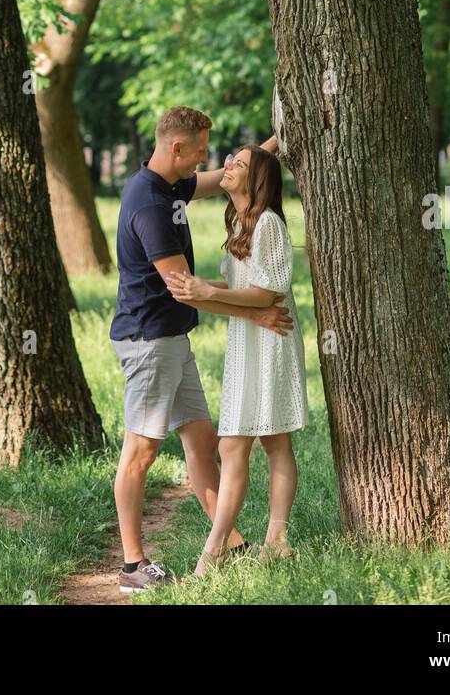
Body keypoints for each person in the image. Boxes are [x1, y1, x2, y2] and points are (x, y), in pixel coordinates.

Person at [109, 106, 293, 594]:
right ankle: (132, 566)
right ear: (177, 149)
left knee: (201, 437)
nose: (206, 161)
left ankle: (228, 545)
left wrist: (276, 142)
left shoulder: (170, 185)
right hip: (150, 339)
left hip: (171, 339)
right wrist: (253, 312)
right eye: (201, 152)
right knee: (141, 451)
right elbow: (183, 288)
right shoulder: (148, 202)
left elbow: (225, 180)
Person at [166, 143, 308, 579]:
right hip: (246, 340)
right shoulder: (241, 224)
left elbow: (269, 292)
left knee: (272, 440)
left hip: (271, 338)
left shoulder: (268, 224)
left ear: (256, 179)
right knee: (233, 444)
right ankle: (226, 547)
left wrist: (209, 293)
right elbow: (236, 284)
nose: (226, 166)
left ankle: (264, 542)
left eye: (238, 164)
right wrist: (197, 285)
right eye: (228, 160)